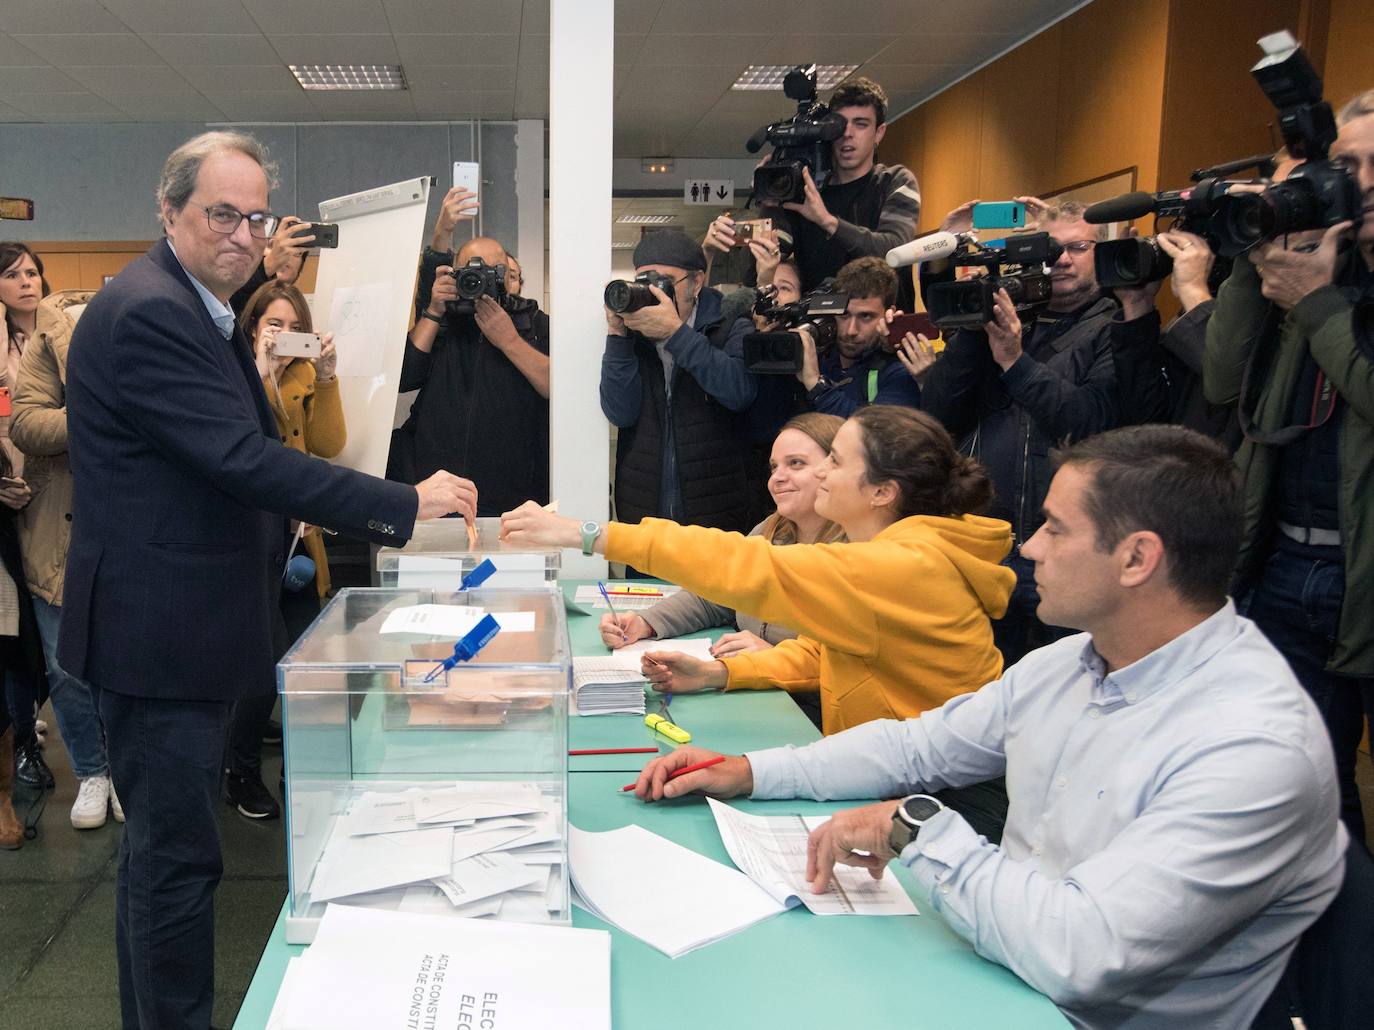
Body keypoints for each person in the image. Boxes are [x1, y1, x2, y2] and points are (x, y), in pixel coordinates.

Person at [629, 425, 1345, 1030]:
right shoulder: (1071, 662)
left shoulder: (1251, 746)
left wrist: (916, 830)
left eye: (1057, 529)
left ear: (1138, 558)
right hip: (1004, 963)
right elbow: (919, 745)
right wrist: (754, 772)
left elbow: (1081, 951)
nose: (1029, 548)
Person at [61, 130, 475, 1030]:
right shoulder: (152, 312)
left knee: (162, 863)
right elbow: (242, 460)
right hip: (159, 636)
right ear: (169, 213)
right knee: (173, 867)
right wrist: (404, 501)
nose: (243, 235)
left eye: (255, 217)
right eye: (221, 214)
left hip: (175, 626)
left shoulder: (198, 307)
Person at [503, 406, 1014, 733]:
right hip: (896, 764)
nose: (818, 476)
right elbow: (823, 653)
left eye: (833, 462)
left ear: (883, 492)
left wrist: (590, 534)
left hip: (939, 791)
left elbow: (746, 567)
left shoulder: (900, 565)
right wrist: (719, 673)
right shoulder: (898, 552)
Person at [1204, 88, 1374, 840]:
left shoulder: (1327, 294)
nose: (1357, 183)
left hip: (1362, 576)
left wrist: (1320, 307)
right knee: (1304, 793)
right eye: (1346, 164)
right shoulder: (1314, 269)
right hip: (1280, 563)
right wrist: (1254, 261)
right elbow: (1222, 379)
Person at [921, 200, 1158, 664]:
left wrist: (1014, 361)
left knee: (1057, 684)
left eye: (1078, 247)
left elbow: (1090, 423)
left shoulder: (1116, 326)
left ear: (1103, 252)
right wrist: (975, 327)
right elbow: (940, 411)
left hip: (1059, 550)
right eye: (1051, 250)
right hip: (979, 542)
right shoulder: (1013, 317)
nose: (1062, 260)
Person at [602, 413, 845, 728]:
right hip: (753, 696)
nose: (777, 478)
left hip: (813, 716)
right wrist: (646, 622)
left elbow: (838, 660)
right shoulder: (770, 531)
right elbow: (715, 596)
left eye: (796, 463)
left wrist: (774, 654)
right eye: (774, 467)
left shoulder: (857, 552)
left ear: (837, 469)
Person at [222, 281, 346, 820]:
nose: (284, 335)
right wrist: (262, 368)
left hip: (300, 540)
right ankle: (240, 770)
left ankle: (301, 771)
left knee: (305, 664)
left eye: (294, 326)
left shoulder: (304, 374)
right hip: (250, 545)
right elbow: (246, 443)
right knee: (256, 668)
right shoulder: (233, 375)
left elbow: (329, 443)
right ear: (252, 327)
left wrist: (326, 376)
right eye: (274, 324)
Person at [10, 286, 124, 829]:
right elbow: (25, 424)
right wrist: (97, 419)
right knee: (64, 664)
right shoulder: (48, 341)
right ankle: (92, 772)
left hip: (129, 525)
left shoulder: (140, 329)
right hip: (57, 526)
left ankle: (125, 770)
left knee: (126, 659)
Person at [600, 230, 757, 534]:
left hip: (716, 517)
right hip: (644, 515)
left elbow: (739, 392)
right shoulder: (632, 335)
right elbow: (621, 412)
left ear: (696, 283)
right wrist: (617, 335)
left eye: (664, 282)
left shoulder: (730, 324)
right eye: (644, 282)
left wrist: (676, 334)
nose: (653, 293)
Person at [390, 235, 550, 516]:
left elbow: (555, 387)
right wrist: (434, 310)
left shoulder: (534, 323)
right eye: (469, 271)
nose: (480, 279)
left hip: (511, 493)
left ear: (506, 274)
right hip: (436, 488)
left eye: (491, 271)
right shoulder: (444, 323)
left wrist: (509, 340)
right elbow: (404, 379)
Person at [756, 77, 921, 308]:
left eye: (861, 124)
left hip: (883, 329)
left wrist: (827, 221)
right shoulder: (807, 189)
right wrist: (771, 199)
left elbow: (894, 251)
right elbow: (773, 256)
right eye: (839, 125)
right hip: (818, 329)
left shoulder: (894, 182)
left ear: (879, 133)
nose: (848, 133)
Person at [0, 242, 55, 794]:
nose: (26, 281)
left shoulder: (62, 334)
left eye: (32, 271)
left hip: (54, 493)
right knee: (15, 631)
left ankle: (28, 719)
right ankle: (20, 740)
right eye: (12, 274)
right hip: (6, 496)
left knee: (48, 632)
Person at [796, 256, 921, 415]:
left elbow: (873, 433)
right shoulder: (817, 355)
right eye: (844, 315)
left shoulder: (901, 371)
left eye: (866, 316)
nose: (851, 330)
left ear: (889, 314)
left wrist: (816, 385)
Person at [228, 214, 316, 317]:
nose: (286, 253)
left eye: (295, 249)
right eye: (272, 245)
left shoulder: (301, 313)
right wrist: (267, 267)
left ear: (300, 271)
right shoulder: (230, 297)